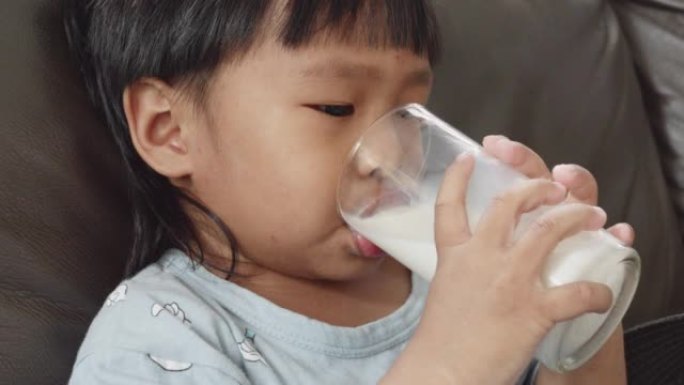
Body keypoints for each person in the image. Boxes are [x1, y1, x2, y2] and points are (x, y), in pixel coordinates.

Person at [63, 1, 632, 384]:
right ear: (170, 129)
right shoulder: (154, 345)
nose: (392, 157)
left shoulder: (452, 266)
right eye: (335, 107)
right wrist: (451, 364)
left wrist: (577, 313)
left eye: (412, 114)